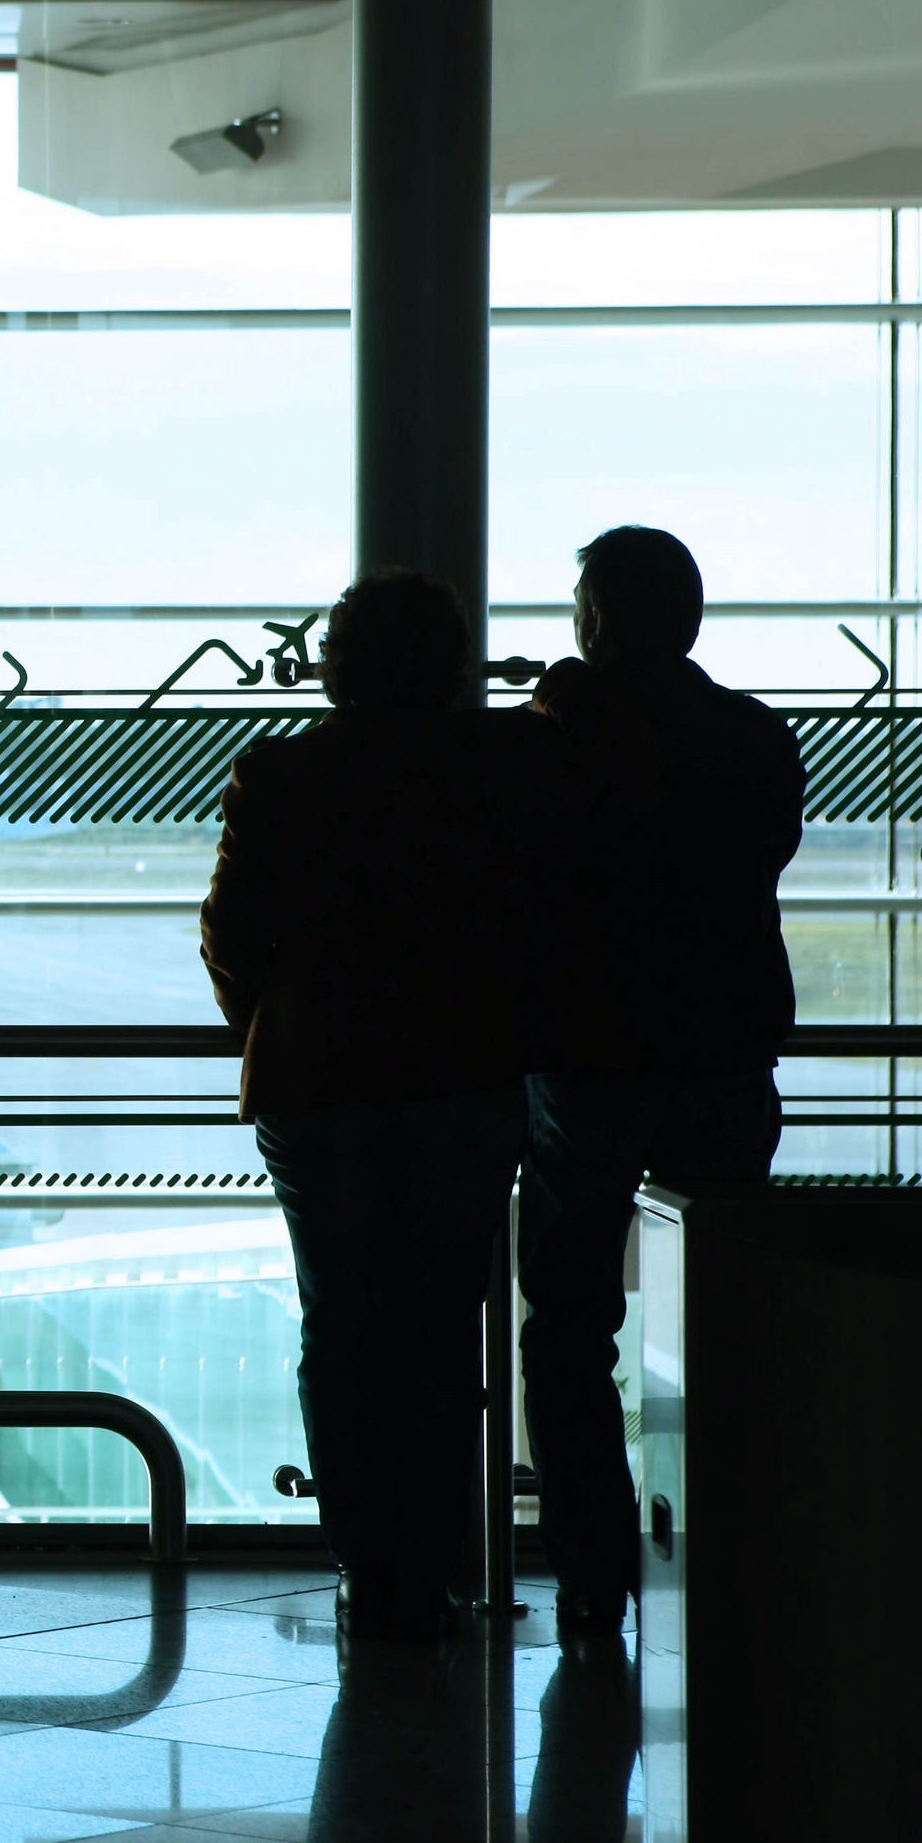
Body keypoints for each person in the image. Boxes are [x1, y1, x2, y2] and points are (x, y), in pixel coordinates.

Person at [201, 568, 554, 1639]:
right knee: (446, 1322)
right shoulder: (503, 769)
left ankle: (366, 1558)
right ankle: (442, 1548)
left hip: (322, 1084)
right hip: (465, 1077)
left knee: (344, 1320)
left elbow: (232, 938)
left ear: (336, 668)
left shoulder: (280, 777)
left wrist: (272, 1020)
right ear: (450, 665)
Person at [518, 526, 801, 1635]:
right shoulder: (752, 736)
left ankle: (596, 1567)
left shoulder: (564, 739)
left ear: (600, 616)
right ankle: (710, 1557)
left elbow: (546, 866)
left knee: (570, 1315)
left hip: (590, 1057)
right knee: (718, 1311)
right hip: (724, 1052)